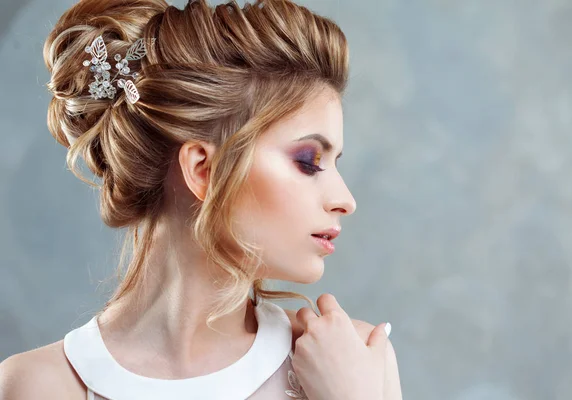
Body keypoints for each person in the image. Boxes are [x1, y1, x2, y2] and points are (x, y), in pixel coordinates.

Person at [0, 0, 402, 398]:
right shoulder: (38, 386)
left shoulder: (356, 364)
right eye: (309, 161)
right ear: (203, 170)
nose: (345, 200)